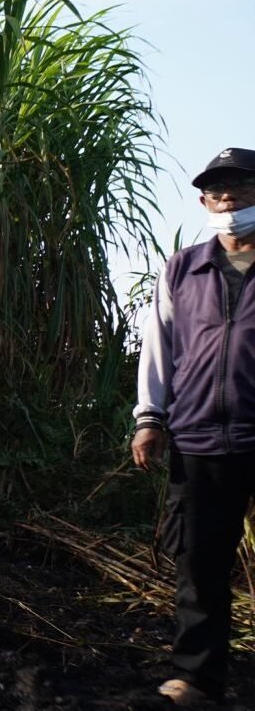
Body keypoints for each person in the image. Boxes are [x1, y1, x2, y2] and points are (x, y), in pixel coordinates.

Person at [132, 147, 255, 706]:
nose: (227, 199)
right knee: (200, 565)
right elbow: (159, 346)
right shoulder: (183, 268)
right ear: (204, 200)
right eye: (216, 191)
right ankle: (198, 678)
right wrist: (150, 418)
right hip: (200, 436)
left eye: (239, 188)